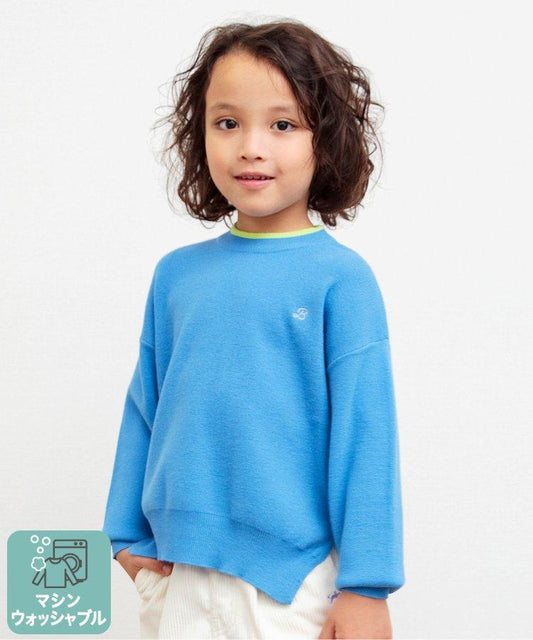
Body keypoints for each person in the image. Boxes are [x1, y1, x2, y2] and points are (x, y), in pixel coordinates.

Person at [102, 18, 405, 640]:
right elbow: (145, 406)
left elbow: (366, 436)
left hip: (290, 586)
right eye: (227, 122)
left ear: (327, 140)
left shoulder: (340, 280)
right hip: (176, 572)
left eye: (283, 125)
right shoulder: (176, 275)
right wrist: (124, 536)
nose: (251, 147)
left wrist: (366, 587)